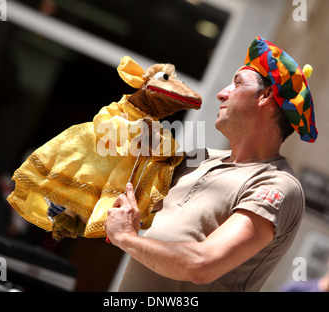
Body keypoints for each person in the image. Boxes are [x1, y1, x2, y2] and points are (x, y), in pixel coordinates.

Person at [104, 36, 318, 291]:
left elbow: (202, 265)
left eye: (237, 83)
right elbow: (119, 199)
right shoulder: (198, 158)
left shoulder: (277, 184)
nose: (221, 93)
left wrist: (126, 238)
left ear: (266, 97)